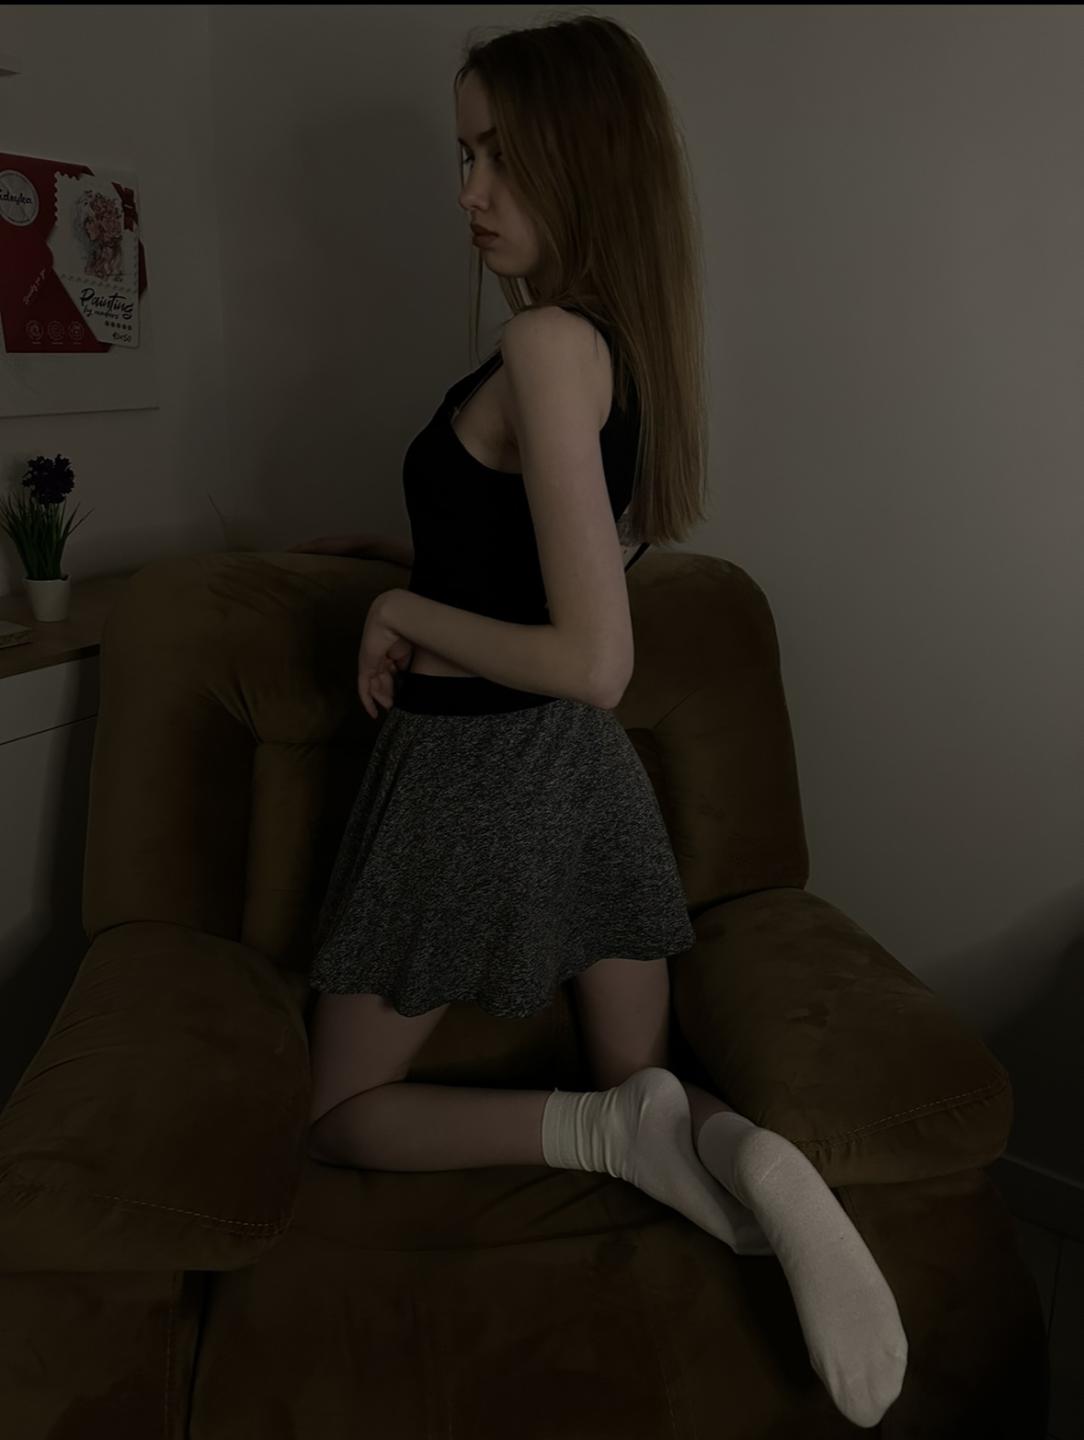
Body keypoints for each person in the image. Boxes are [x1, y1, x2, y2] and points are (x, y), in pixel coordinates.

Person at [301, 17, 906, 1430]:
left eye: (496, 154)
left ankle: (604, 1138)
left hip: (475, 776)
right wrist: (401, 568)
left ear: (585, 156)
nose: (467, 190)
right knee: (653, 1077)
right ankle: (749, 1156)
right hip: (581, 785)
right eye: (462, 155)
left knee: (336, 1119)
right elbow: (548, 574)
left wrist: (401, 613)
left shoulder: (541, 340)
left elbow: (593, 659)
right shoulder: (614, 346)